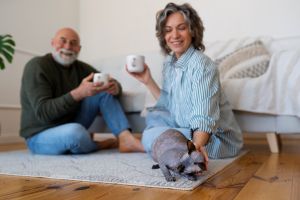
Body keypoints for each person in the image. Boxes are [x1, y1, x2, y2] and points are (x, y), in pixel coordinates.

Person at [127, 3, 243, 165]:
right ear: (163, 36)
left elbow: (204, 118)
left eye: (181, 28)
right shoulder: (169, 63)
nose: (174, 35)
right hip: (184, 128)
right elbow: (170, 104)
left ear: (192, 30)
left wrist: (196, 148)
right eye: (168, 30)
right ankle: (164, 148)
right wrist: (147, 80)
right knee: (153, 122)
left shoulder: (202, 66)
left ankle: (162, 149)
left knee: (152, 136)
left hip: (212, 139)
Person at [20, 27, 144, 155]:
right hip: (40, 134)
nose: (68, 46)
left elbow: (111, 82)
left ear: (79, 49)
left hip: (72, 123)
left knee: (103, 90)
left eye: (73, 43)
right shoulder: (36, 66)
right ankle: (99, 144)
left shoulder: (81, 68)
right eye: (63, 41)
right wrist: (79, 93)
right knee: (75, 133)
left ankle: (125, 138)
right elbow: (43, 112)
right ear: (53, 43)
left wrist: (115, 88)